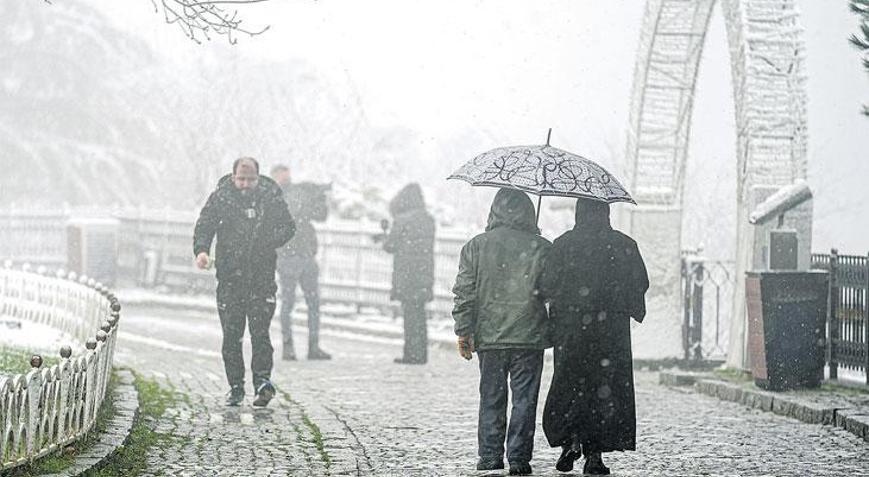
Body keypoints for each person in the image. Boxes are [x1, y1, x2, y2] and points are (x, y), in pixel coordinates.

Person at [537, 198, 649, 475]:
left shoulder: (563, 245)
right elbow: (640, 283)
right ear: (605, 213)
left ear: (579, 213)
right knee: (604, 389)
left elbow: (547, 285)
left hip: (572, 330)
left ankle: (571, 439)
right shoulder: (624, 245)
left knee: (571, 384)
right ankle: (595, 454)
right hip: (610, 333)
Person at [451, 189, 551, 476]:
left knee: (491, 396)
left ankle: (489, 455)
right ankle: (519, 458)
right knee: (525, 400)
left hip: (490, 336)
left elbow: (465, 292)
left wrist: (464, 330)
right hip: (528, 336)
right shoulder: (542, 248)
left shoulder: (475, 247)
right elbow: (550, 292)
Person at [193, 157, 295, 407]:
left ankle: (262, 382)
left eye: (250, 179)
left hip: (261, 278)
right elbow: (204, 225)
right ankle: (236, 386)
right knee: (232, 335)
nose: (245, 184)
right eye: (241, 179)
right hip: (230, 277)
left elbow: (288, 227)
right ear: (233, 177)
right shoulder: (221, 197)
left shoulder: (270, 197)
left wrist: (266, 242)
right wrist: (202, 251)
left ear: (258, 178)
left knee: (260, 334)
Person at [270, 164, 331, 360]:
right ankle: (289, 347)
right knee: (289, 303)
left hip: (305, 254)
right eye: (283, 176)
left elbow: (320, 216)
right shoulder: (271, 197)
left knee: (313, 303)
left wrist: (320, 197)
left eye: (287, 176)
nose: (286, 179)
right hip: (288, 255)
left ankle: (313, 347)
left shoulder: (298, 193)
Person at [380, 183, 435, 364]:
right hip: (424, 273)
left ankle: (410, 353)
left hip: (407, 274)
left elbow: (390, 245)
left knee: (410, 315)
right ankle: (421, 354)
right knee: (420, 315)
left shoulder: (402, 220)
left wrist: (385, 234)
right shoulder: (428, 220)